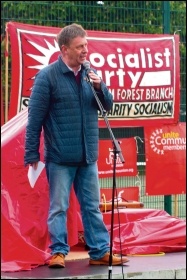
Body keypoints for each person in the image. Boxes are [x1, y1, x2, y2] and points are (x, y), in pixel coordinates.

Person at [24, 23, 129, 268]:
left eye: (86, 45)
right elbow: (35, 119)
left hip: (88, 156)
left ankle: (100, 251)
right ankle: (58, 252)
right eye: (80, 46)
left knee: (92, 207)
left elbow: (108, 105)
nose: (85, 51)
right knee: (59, 207)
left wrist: (99, 87)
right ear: (65, 49)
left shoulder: (89, 75)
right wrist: (31, 153)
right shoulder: (47, 77)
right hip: (60, 157)